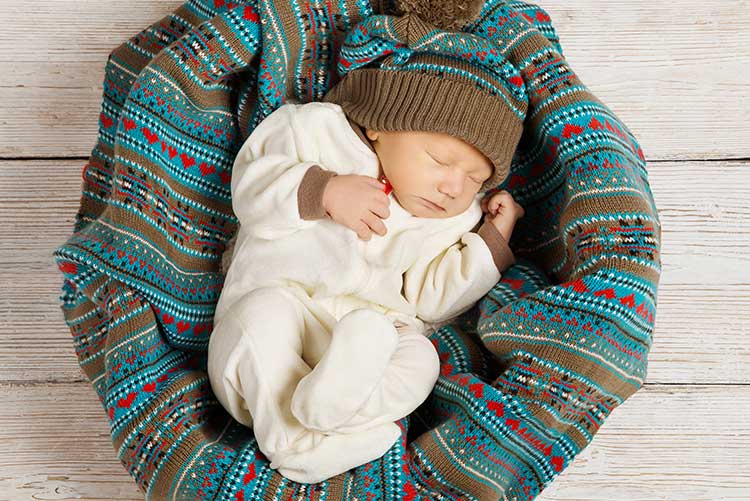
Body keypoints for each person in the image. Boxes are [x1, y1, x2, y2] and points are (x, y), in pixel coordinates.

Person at [207, 13, 529, 484]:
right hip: (281, 308)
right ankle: (297, 441)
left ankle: (335, 410)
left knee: (420, 358)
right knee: (260, 320)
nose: (452, 187)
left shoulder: (454, 216)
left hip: (367, 331)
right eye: (440, 160)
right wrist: (325, 191)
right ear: (381, 124)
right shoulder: (314, 132)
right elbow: (251, 188)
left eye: (475, 178)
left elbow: (434, 298)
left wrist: (493, 240)